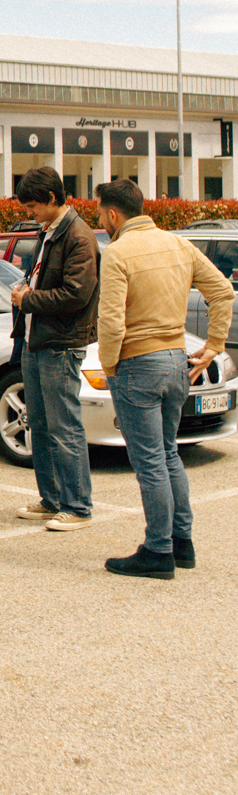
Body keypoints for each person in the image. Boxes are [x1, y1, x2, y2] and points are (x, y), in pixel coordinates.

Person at [95, 178, 234, 578]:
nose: (100, 220)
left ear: (114, 214)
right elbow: (223, 291)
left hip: (138, 363)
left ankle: (157, 551)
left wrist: (109, 366)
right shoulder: (178, 243)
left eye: (100, 213)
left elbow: (111, 319)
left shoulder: (118, 252)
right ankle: (181, 542)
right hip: (177, 360)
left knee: (150, 461)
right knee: (169, 453)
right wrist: (214, 343)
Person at [9, 167, 100, 532]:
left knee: (65, 428)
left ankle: (77, 506)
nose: (29, 212)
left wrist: (29, 299)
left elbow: (76, 294)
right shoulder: (48, 231)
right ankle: (52, 500)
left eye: (32, 205)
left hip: (60, 344)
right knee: (42, 426)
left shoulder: (78, 236)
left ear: (51, 198)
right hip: (37, 340)